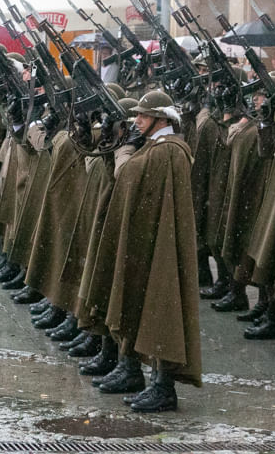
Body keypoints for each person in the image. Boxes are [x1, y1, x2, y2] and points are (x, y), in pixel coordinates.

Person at [92, 90, 201, 412]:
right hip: (150, 239)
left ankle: (163, 387)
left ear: (162, 118)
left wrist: (124, 150)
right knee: (144, 306)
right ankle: (142, 375)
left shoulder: (167, 151)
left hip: (161, 245)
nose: (137, 121)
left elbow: (126, 174)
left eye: (142, 116)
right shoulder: (157, 148)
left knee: (161, 312)